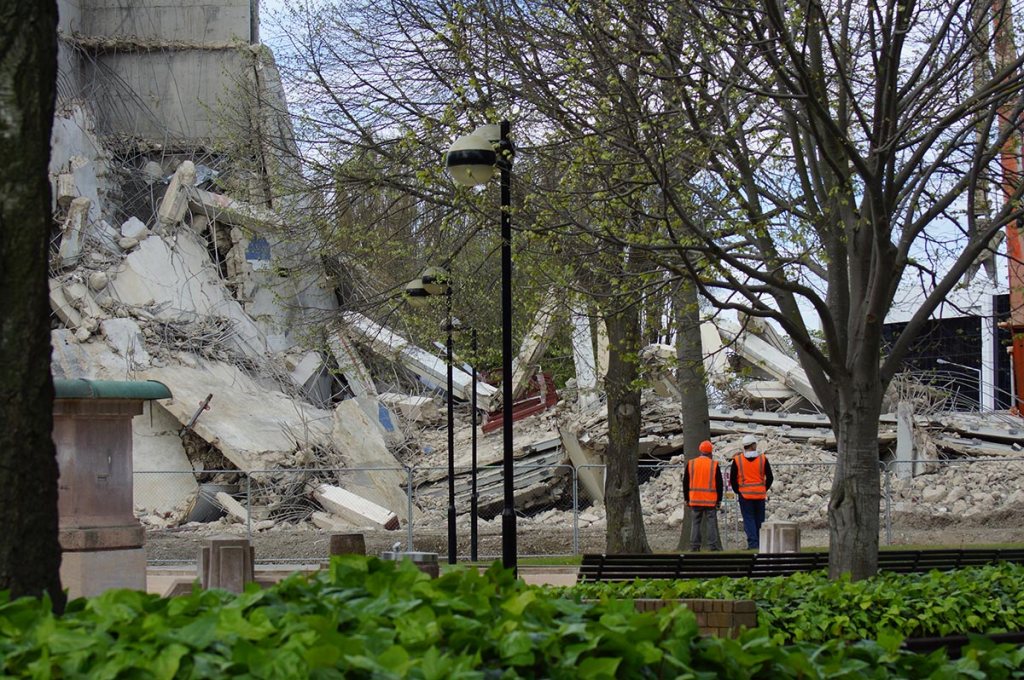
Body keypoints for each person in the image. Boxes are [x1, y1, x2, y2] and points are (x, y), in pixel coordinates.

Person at [729, 434, 774, 550]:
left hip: (745, 495)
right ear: (754, 445)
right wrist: (764, 488)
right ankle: (760, 543)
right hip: (759, 494)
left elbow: (732, 479)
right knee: (760, 520)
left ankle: (753, 544)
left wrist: (737, 491)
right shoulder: (763, 459)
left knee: (749, 519)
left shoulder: (737, 460)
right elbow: (770, 477)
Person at [683, 439, 723, 551]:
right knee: (711, 523)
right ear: (711, 452)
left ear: (700, 450)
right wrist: (719, 500)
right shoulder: (714, 465)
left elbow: (685, 482)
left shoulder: (691, 464)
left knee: (695, 523)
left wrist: (686, 498)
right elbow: (719, 484)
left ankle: (694, 546)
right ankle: (713, 546)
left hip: (695, 499)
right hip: (710, 501)